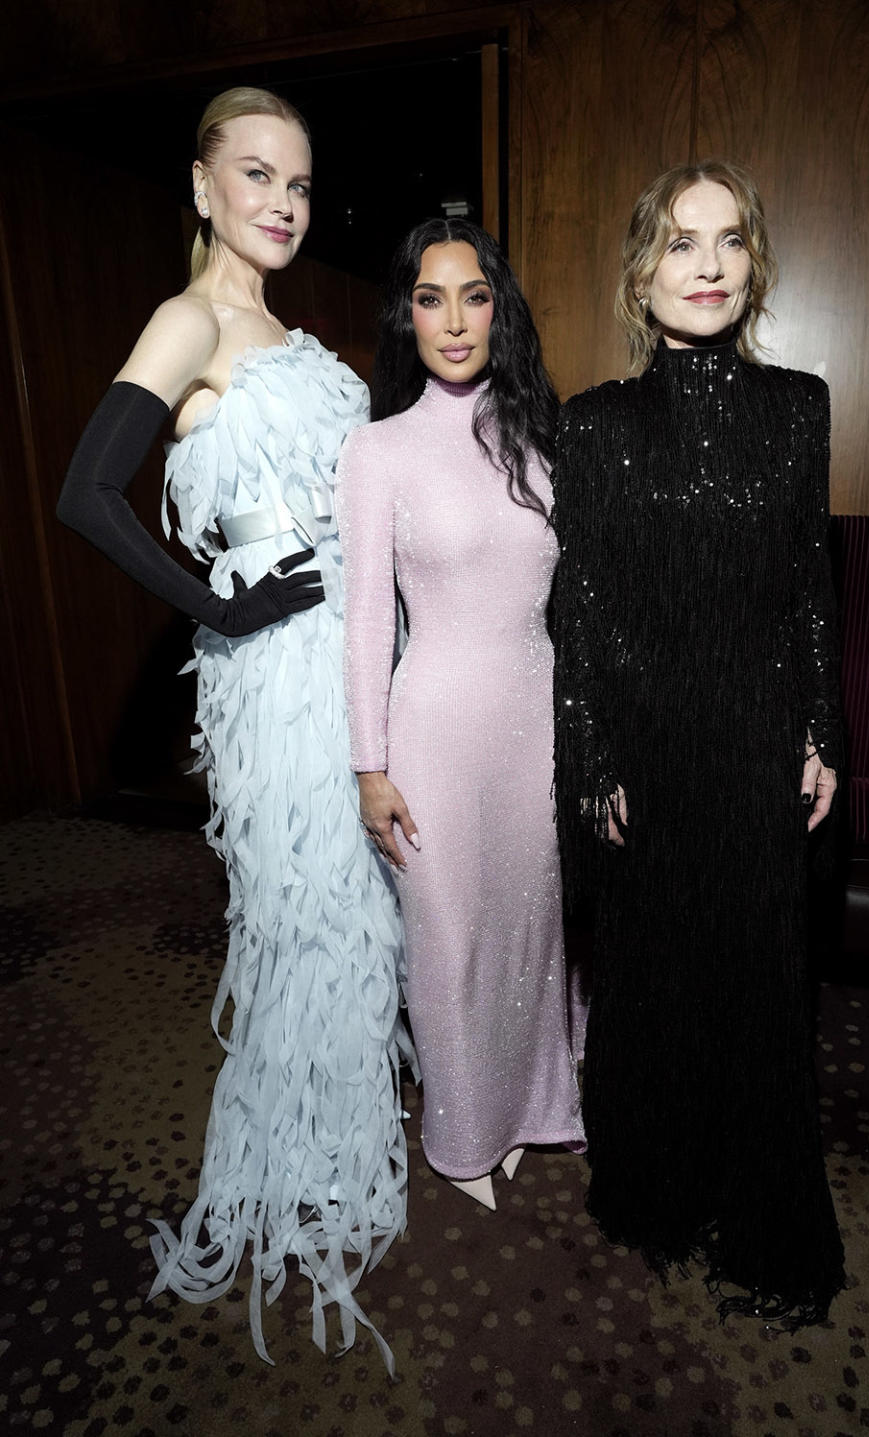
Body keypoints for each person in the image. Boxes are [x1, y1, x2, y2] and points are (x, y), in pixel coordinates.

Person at [57, 87, 411, 1368]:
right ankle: (297, 1164)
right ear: (202, 185)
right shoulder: (191, 318)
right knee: (304, 908)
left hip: (356, 656)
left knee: (363, 906)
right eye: (256, 175)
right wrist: (218, 600)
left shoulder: (294, 331)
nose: (282, 202)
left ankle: (335, 1142)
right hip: (273, 674)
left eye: (301, 185)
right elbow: (87, 493)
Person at [551, 160, 846, 1327]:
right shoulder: (595, 425)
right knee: (655, 983)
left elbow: (812, 591)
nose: (708, 266)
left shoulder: (801, 406)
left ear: (754, 264)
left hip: (759, 744)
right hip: (653, 754)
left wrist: (824, 731)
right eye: (681, 243)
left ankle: (758, 1201)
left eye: (728, 243)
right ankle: (660, 1190)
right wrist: (593, 756)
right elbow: (583, 610)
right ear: (641, 270)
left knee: (762, 985)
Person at [338, 218, 584, 1212]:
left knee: (534, 930)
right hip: (430, 731)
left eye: (473, 295)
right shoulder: (376, 449)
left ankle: (532, 1106)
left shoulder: (545, 439)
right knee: (449, 939)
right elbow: (363, 621)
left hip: (539, 726)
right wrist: (368, 767)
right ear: (406, 313)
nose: (453, 319)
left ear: (499, 309)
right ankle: (465, 1129)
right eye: (430, 297)